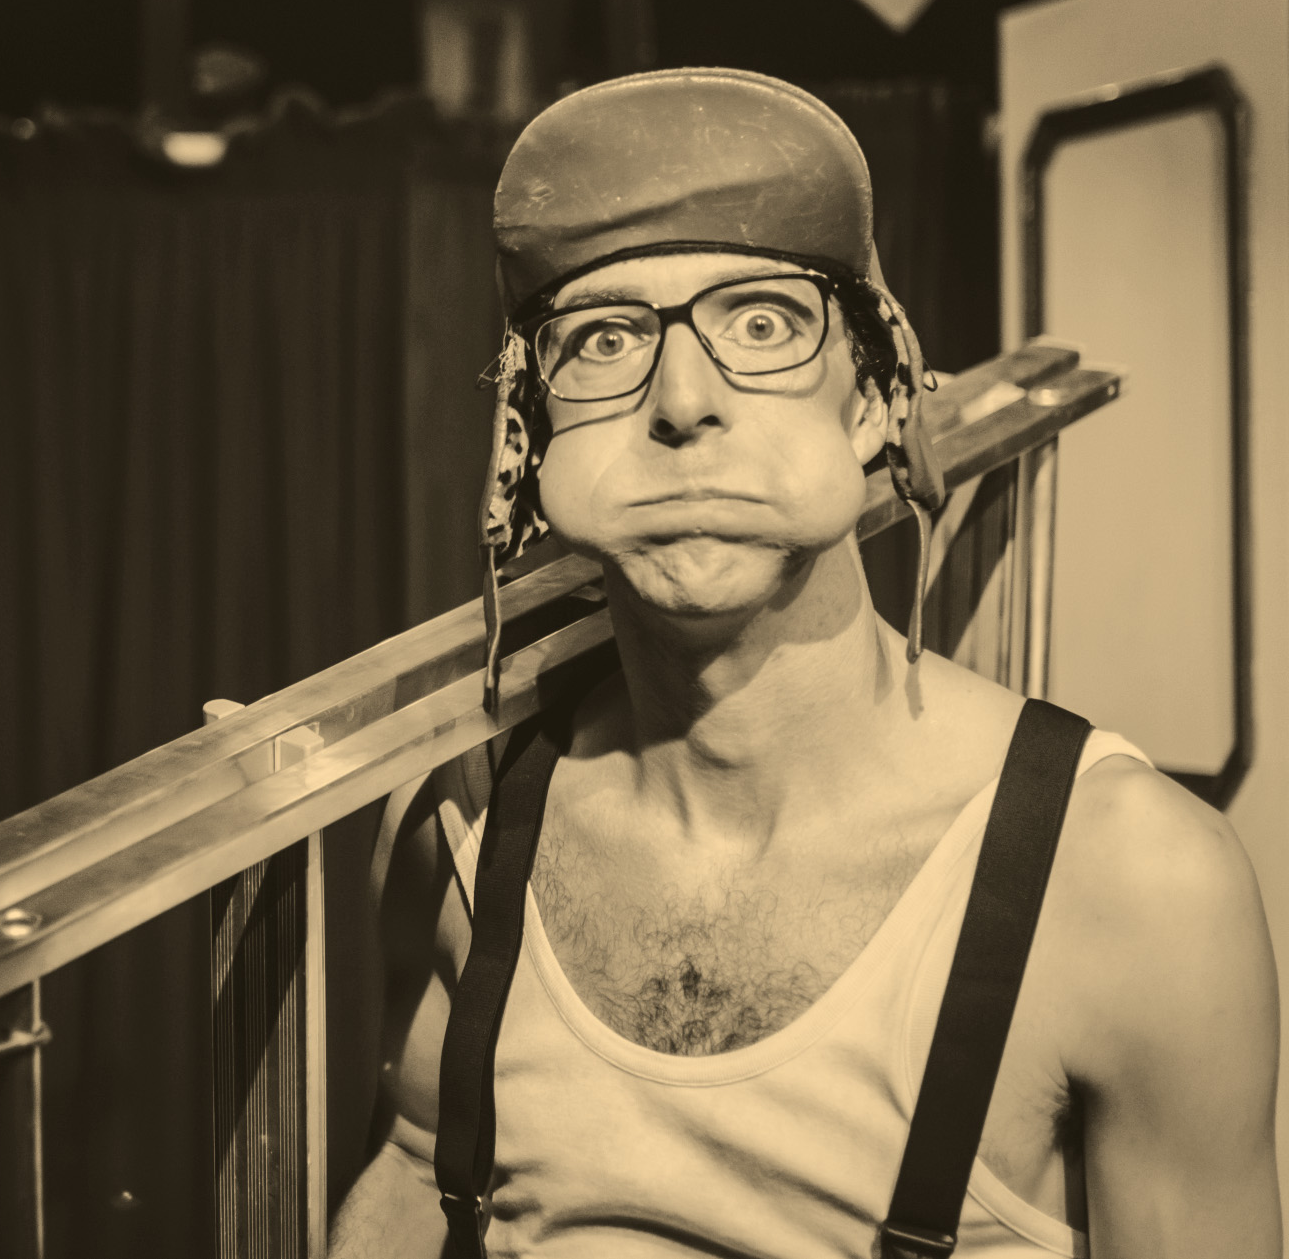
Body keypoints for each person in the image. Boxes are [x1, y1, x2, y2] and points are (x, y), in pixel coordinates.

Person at [327, 68, 1281, 1258]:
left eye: (763, 323)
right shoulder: (465, 822)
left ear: (876, 397)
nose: (683, 400)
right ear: (528, 432)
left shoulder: (1129, 884)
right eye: (606, 337)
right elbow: (419, 1155)